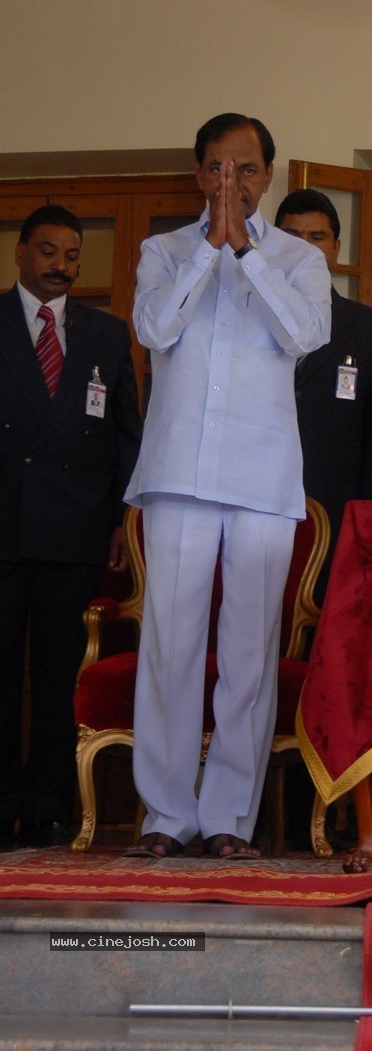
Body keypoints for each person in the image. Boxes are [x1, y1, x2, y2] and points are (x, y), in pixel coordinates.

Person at [124, 113, 330, 860]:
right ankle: (164, 817)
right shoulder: (163, 249)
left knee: (248, 653)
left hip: (263, 475)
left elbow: (302, 335)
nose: (229, 183)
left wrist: (245, 253)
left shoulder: (300, 260)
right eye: (216, 168)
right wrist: (209, 251)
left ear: (267, 177)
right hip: (179, 471)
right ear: (197, 172)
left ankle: (227, 821)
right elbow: (154, 329)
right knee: (169, 646)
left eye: (244, 170)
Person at [0, 205, 141, 850]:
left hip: (76, 531)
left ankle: (48, 807)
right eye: (50, 252)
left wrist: (121, 521)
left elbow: (125, 437)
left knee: (60, 679)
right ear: (23, 254)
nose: (62, 266)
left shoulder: (107, 336)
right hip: (5, 526)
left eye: (73, 256)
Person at [275, 189, 372, 601]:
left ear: (336, 249)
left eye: (317, 237)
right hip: (253, 514)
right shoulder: (242, 320)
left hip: (335, 521)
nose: (304, 248)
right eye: (291, 236)